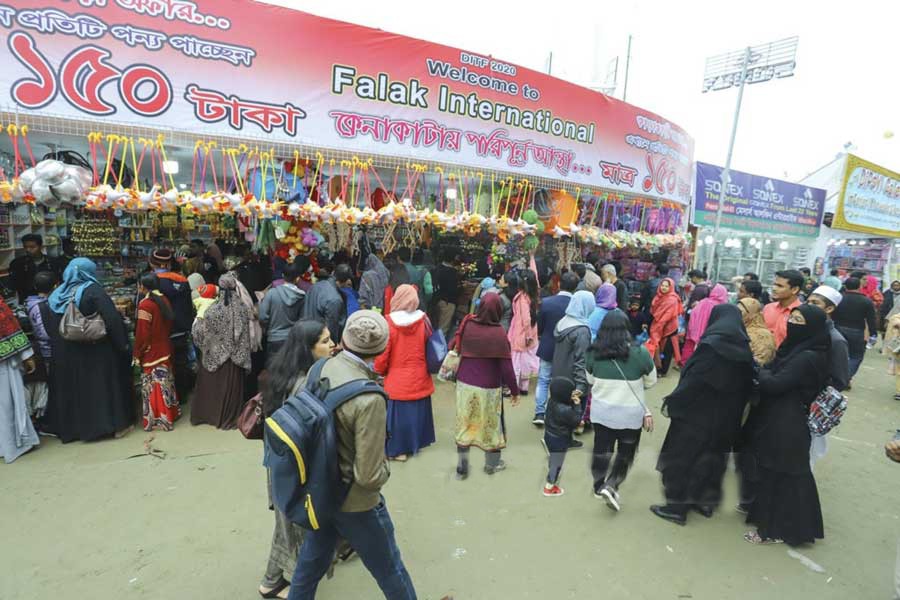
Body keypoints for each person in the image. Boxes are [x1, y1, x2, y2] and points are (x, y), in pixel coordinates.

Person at [288, 311, 417, 600]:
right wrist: (385, 470)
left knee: (310, 565)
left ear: (343, 340)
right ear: (382, 349)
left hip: (320, 489)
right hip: (356, 502)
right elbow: (369, 476)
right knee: (391, 570)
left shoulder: (320, 368)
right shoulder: (369, 398)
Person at [652, 304, 754, 525]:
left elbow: (694, 382)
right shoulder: (744, 349)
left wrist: (675, 402)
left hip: (696, 417)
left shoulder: (711, 347)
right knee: (712, 459)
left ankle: (676, 509)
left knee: (683, 458)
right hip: (726, 419)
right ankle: (704, 502)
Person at [259, 320, 335, 599]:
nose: (333, 345)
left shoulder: (281, 372)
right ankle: (283, 584)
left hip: (279, 461)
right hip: (296, 466)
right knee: (296, 523)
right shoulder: (305, 384)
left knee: (285, 521)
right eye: (326, 341)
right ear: (308, 348)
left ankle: (271, 580)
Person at [744, 304, 829, 546]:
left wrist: (760, 372)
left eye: (800, 321)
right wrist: (765, 374)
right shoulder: (794, 350)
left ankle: (773, 530)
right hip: (780, 417)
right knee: (776, 472)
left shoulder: (808, 356)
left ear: (812, 327)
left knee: (784, 475)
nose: (793, 323)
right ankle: (774, 524)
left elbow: (775, 383)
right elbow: (772, 373)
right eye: (793, 318)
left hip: (788, 423)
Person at [44, 258, 134, 442]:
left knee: (75, 392)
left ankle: (74, 431)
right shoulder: (93, 291)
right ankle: (107, 427)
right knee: (100, 389)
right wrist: (123, 345)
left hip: (66, 355)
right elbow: (112, 320)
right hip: (95, 352)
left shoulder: (56, 295)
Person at [587, 310, 656, 510]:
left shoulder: (592, 352)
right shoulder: (640, 352)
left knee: (602, 449)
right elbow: (651, 381)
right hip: (630, 414)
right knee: (626, 452)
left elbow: (590, 380)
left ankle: (599, 485)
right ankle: (613, 483)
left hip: (601, 412)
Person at [452, 294, 520, 479]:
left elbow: (454, 344)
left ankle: (462, 469)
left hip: (465, 384)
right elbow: (506, 367)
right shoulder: (499, 334)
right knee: (492, 426)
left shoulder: (468, 324)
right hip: (489, 387)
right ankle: (492, 464)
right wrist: (514, 391)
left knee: (465, 423)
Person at [374, 284, 436, 462]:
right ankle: (415, 443)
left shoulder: (388, 322)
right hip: (420, 374)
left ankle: (398, 450)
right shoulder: (423, 320)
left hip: (397, 379)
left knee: (397, 416)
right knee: (416, 412)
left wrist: (378, 370)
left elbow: (383, 354)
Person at [190, 274, 252, 430]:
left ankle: (209, 416)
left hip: (215, 358)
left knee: (213, 390)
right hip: (234, 362)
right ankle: (228, 417)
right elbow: (243, 335)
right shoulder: (242, 309)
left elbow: (200, 332)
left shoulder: (213, 310)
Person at [806, 286, 851, 469]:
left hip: (812, 405)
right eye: (808, 301)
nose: (809, 305)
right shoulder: (805, 330)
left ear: (829, 309)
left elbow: (840, 380)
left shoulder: (836, 340)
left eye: (815, 303)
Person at [133, 274, 180, 431]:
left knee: (152, 386)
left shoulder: (145, 304)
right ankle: (170, 413)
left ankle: (158, 419)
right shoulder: (164, 299)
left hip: (151, 351)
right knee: (165, 382)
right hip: (164, 347)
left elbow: (142, 334)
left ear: (143, 287)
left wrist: (137, 352)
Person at [150, 248, 196, 402]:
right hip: (180, 329)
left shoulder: (149, 281)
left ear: (151, 263)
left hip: (159, 332)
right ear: (170, 263)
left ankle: (165, 400)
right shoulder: (181, 280)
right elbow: (188, 307)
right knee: (181, 363)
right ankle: (181, 396)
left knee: (161, 365)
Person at [550, 290, 595, 444]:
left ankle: (556, 436)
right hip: (572, 377)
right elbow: (581, 359)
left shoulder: (563, 322)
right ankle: (565, 440)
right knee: (572, 410)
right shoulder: (582, 330)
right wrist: (582, 385)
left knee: (558, 407)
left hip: (558, 372)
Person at [533, 272, 577, 425]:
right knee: (565, 381)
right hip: (568, 349)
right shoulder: (577, 305)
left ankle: (539, 413)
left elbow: (540, 326)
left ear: (559, 284)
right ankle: (560, 414)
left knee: (544, 379)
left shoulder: (547, 302)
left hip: (548, 346)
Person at [0, 295, 39, 462]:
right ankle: (14, 444)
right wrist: (26, 355)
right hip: (3, 361)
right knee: (6, 403)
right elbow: (8, 325)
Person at [541, 377, 583, 497]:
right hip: (560, 439)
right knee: (557, 464)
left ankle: (552, 460)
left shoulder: (552, 400)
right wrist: (577, 405)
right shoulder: (565, 410)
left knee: (554, 457)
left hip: (549, 434)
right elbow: (576, 421)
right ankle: (549, 487)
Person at [833, 277, 877, 383]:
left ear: (845, 286)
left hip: (837, 329)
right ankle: (846, 377)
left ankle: (834, 376)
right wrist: (873, 334)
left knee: (836, 354)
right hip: (856, 331)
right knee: (856, 356)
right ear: (859, 286)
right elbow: (871, 319)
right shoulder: (866, 301)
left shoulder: (839, 298)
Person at [259, 261, 306, 360]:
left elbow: (262, 317)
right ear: (297, 278)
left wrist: (269, 327)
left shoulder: (272, 293)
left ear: (282, 275)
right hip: (292, 339)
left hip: (274, 338)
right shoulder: (302, 296)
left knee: (274, 371)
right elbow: (302, 319)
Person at [25, 271, 56, 420]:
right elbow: (45, 333)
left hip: (42, 349)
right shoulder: (43, 305)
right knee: (51, 384)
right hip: (48, 350)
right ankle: (48, 417)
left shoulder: (30, 303)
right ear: (55, 286)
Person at [508, 268, 540, 395]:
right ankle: (524, 387)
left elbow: (526, 319)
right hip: (531, 332)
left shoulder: (522, 298)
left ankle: (513, 387)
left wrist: (527, 336)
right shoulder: (533, 295)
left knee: (515, 361)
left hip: (520, 332)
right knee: (525, 360)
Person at [302, 255, 345, 344]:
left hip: (306, 334)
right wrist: (331, 344)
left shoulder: (314, 287)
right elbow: (332, 326)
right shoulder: (334, 298)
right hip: (320, 340)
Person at [681, 284, 728, 364]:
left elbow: (694, 315)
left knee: (690, 348)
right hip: (711, 333)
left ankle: (685, 365)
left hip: (696, 331)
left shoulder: (705, 302)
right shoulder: (724, 306)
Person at [645, 278, 683, 375]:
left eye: (667, 286)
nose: (664, 288)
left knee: (666, 350)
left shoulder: (672, 300)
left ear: (671, 287)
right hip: (658, 325)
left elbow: (667, 316)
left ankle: (662, 371)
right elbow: (653, 311)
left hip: (669, 328)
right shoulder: (658, 297)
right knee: (658, 347)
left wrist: (656, 328)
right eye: (662, 285)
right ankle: (656, 366)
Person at [9, 234, 60, 303]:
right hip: (26, 301)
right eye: (25, 247)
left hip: (49, 300)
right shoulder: (17, 263)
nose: (28, 250)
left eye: (32, 247)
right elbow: (13, 285)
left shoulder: (52, 262)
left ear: (40, 247)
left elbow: (57, 281)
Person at [763, 269, 803, 348]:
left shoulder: (801, 313)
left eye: (779, 286)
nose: (774, 288)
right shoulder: (768, 308)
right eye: (774, 284)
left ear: (794, 289)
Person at [737, 298, 776, 367]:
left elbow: (762, 361)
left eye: (740, 312)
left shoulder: (763, 335)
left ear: (751, 313)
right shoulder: (739, 329)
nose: (736, 315)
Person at [433, 250, 460, 338]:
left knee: (435, 326)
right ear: (452, 260)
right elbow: (454, 289)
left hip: (436, 300)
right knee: (443, 329)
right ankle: (438, 349)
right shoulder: (452, 272)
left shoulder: (436, 268)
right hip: (448, 302)